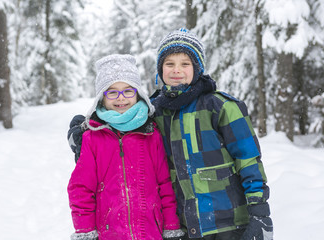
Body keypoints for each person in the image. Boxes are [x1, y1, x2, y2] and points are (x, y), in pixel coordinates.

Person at [68, 29, 273, 240]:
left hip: (229, 222)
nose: (177, 70)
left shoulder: (220, 107)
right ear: (160, 69)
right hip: (186, 226)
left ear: (197, 68)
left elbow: (248, 160)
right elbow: (122, 123)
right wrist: (84, 133)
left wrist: (259, 210)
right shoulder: (155, 112)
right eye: (169, 64)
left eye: (185, 64)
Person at [67, 54, 184, 240]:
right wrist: (85, 231)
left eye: (128, 91)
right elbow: (81, 188)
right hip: (109, 233)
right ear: (101, 98)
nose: (121, 98)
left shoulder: (150, 134)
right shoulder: (92, 138)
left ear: (137, 94)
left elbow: (165, 185)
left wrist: (171, 226)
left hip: (150, 233)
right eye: (112, 92)